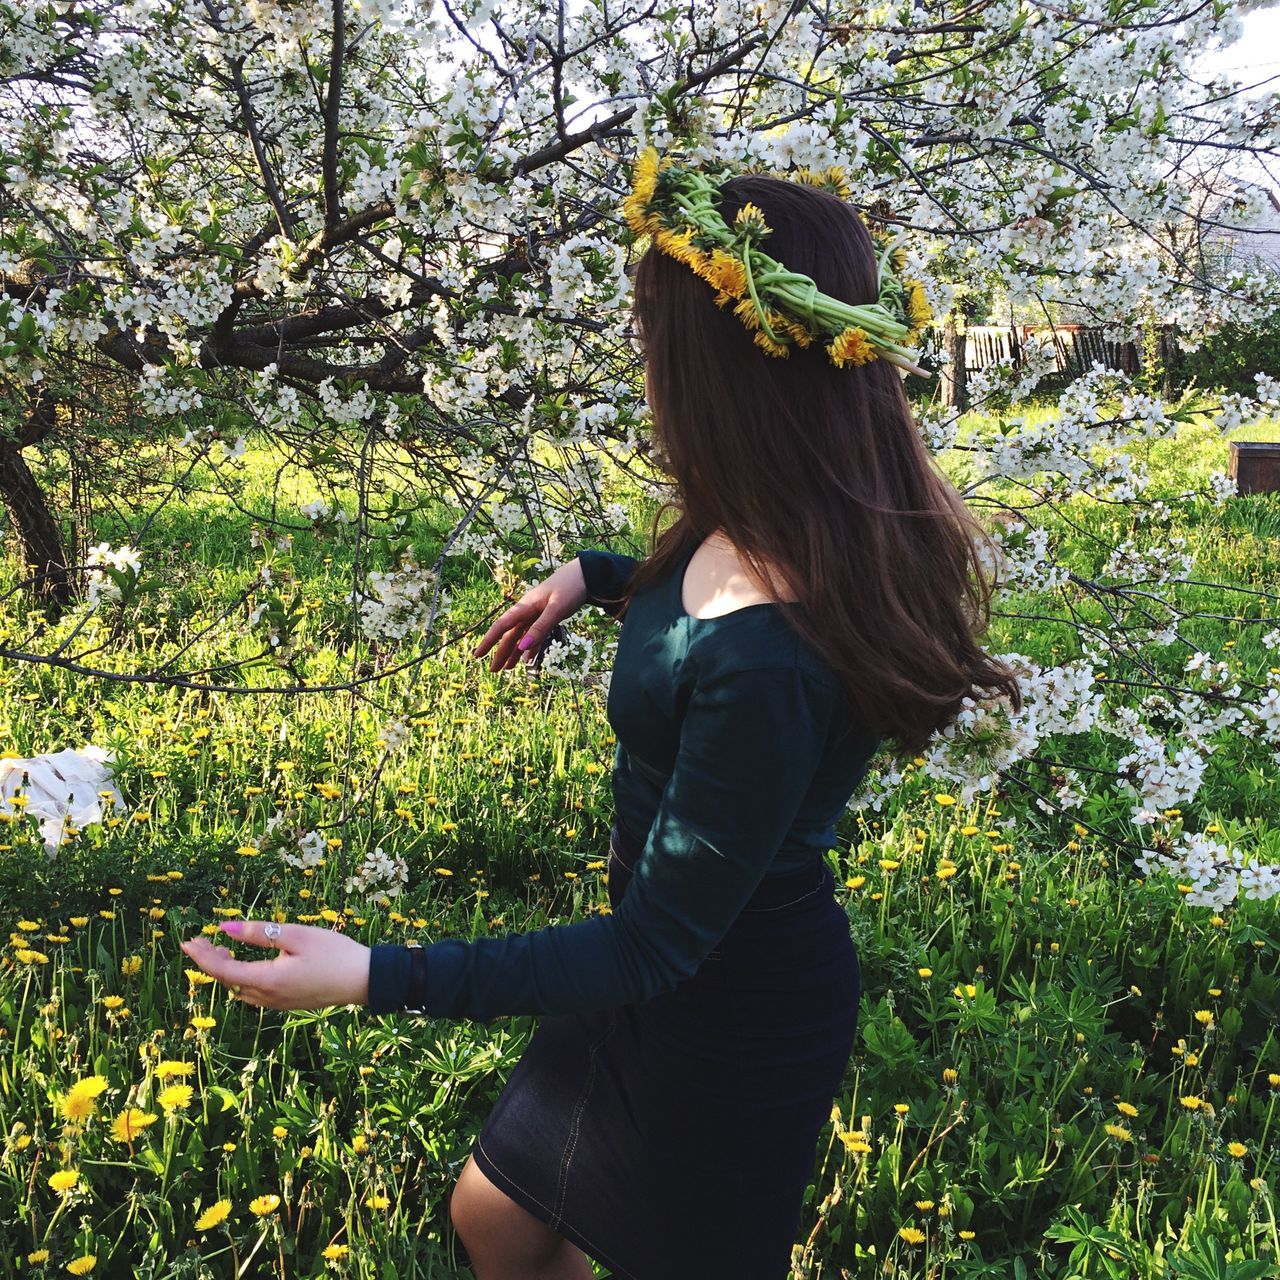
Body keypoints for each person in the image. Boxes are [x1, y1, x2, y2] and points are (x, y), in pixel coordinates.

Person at [181, 154, 1022, 1280]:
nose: (641, 365)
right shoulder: (762, 522)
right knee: (496, 1217)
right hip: (650, 969)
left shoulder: (774, 657)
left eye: (651, 337)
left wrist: (374, 973)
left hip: (724, 1012)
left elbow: (657, 942)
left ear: (720, 366)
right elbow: (699, 606)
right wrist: (596, 571)